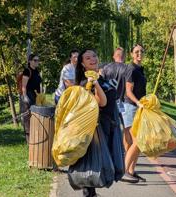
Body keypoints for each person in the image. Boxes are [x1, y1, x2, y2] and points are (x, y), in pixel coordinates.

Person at [75, 49, 107, 197]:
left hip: (98, 125)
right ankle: (89, 193)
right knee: (90, 162)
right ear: (82, 64)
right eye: (87, 58)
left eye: (94, 55)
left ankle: (91, 192)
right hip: (89, 128)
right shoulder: (84, 83)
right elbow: (101, 103)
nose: (92, 59)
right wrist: (94, 84)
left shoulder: (97, 78)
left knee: (92, 162)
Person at [121, 44, 147, 183]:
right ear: (131, 54)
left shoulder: (140, 69)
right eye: (136, 52)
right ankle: (124, 171)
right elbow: (128, 91)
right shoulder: (131, 69)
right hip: (130, 107)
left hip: (139, 107)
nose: (139, 54)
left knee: (138, 142)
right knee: (137, 141)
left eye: (141, 52)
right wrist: (138, 103)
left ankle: (131, 171)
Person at [100, 47, 132, 152]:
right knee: (126, 128)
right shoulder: (128, 69)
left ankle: (108, 149)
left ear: (114, 56)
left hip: (108, 102)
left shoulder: (106, 68)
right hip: (122, 102)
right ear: (124, 56)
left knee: (108, 126)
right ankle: (126, 151)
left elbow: (101, 84)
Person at [20, 54, 42, 143]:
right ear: (30, 61)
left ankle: (35, 136)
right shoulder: (27, 71)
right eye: (35, 60)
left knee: (35, 115)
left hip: (34, 94)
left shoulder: (36, 71)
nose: (37, 62)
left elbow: (38, 84)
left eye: (38, 60)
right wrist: (25, 97)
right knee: (27, 116)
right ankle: (28, 139)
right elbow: (23, 86)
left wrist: (40, 95)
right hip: (27, 94)